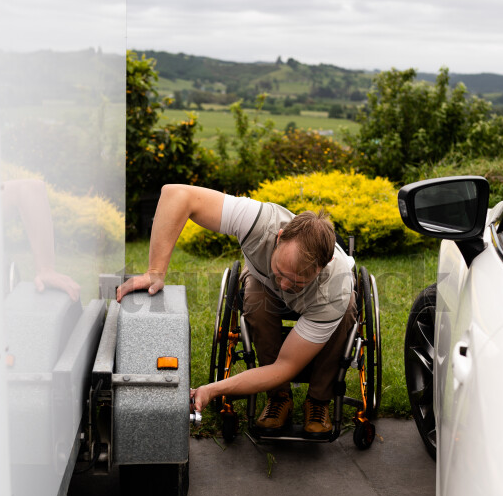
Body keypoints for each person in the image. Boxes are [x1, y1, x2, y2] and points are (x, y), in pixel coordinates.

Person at [117, 184, 356, 435]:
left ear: (324, 265)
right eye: (281, 272)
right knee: (255, 303)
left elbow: (285, 366)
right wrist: (155, 271)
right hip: (261, 283)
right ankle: (278, 398)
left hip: (322, 301)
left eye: (296, 281)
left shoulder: (334, 290)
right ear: (279, 236)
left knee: (347, 311)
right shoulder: (259, 222)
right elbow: (177, 195)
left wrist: (214, 388)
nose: (284, 286)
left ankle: (318, 400)